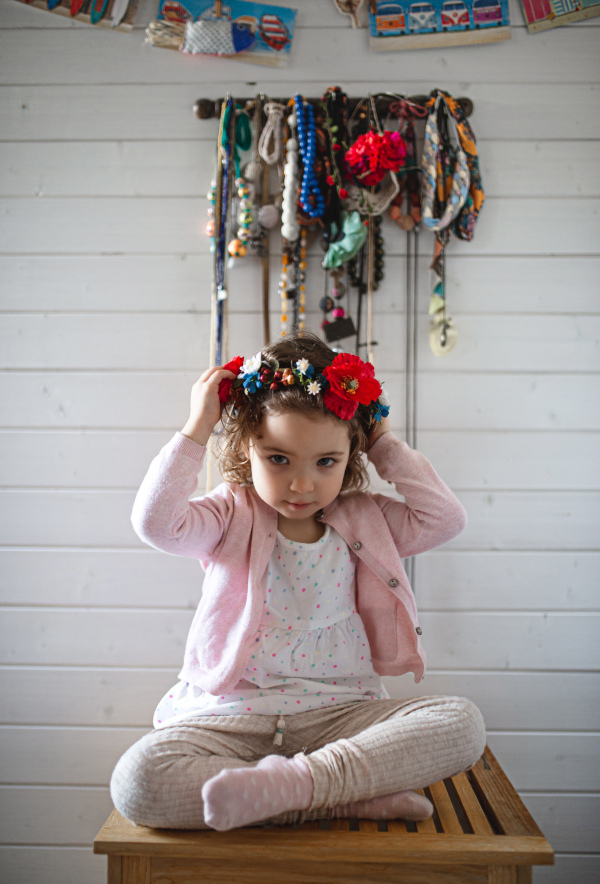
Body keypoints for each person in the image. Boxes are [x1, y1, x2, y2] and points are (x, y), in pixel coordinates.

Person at [110, 331, 485, 831]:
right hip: (232, 718)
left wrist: (383, 442)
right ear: (247, 447)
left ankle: (297, 788)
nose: (302, 484)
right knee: (137, 781)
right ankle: (335, 797)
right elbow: (157, 523)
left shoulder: (366, 518)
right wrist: (197, 428)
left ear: (352, 454)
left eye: (326, 462)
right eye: (279, 459)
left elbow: (445, 519)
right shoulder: (229, 513)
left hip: (340, 718)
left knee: (461, 724)